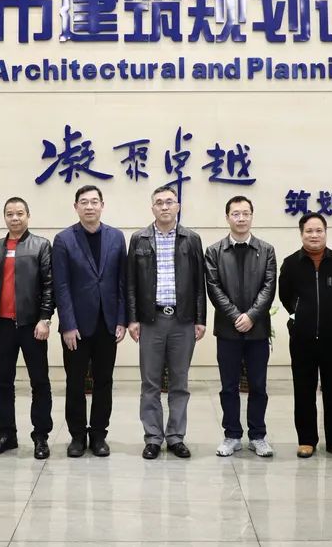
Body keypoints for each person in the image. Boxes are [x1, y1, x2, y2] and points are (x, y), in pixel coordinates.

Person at [126, 185, 207, 460]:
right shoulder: (139, 239)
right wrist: (133, 318)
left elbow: (199, 283)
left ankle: (175, 437)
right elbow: (131, 283)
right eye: (159, 202)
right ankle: (152, 438)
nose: (164, 207)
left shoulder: (191, 239)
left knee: (179, 382)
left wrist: (200, 319)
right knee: (150, 383)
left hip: (183, 321)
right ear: (152, 208)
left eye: (169, 202)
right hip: (151, 320)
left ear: (178, 206)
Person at [52, 185, 127, 458]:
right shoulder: (63, 239)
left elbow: (122, 282)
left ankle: (98, 435)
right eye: (84, 202)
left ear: (102, 205)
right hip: (77, 327)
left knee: (104, 381)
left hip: (108, 323)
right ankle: (76, 436)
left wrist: (122, 319)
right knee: (75, 382)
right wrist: (68, 324)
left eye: (94, 201)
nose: (89, 206)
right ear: (76, 207)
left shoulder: (116, 237)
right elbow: (61, 285)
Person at [0, 197, 54, 460]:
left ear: (28, 216)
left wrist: (45, 318)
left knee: (39, 382)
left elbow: (49, 285)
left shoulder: (41, 245)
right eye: (10, 214)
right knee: (2, 383)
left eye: (20, 213)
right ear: (5, 217)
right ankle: (6, 435)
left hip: (32, 326)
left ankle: (41, 436)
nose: (15, 218)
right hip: (2, 326)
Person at [206, 195, 277, 458]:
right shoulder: (214, 251)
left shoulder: (266, 250)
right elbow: (214, 288)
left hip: (257, 330)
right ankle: (232, 435)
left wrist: (252, 316)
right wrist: (237, 316)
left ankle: (258, 436)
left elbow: (269, 287)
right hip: (228, 330)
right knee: (229, 386)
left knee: (258, 386)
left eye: (245, 213)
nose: (241, 218)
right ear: (227, 217)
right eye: (235, 214)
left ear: (252, 216)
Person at [278, 212, 332, 459]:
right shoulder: (291, 263)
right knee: (304, 390)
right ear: (301, 234)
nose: (314, 235)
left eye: (319, 230)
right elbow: (285, 296)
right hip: (302, 338)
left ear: (325, 232)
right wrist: (299, 313)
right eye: (309, 231)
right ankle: (306, 440)